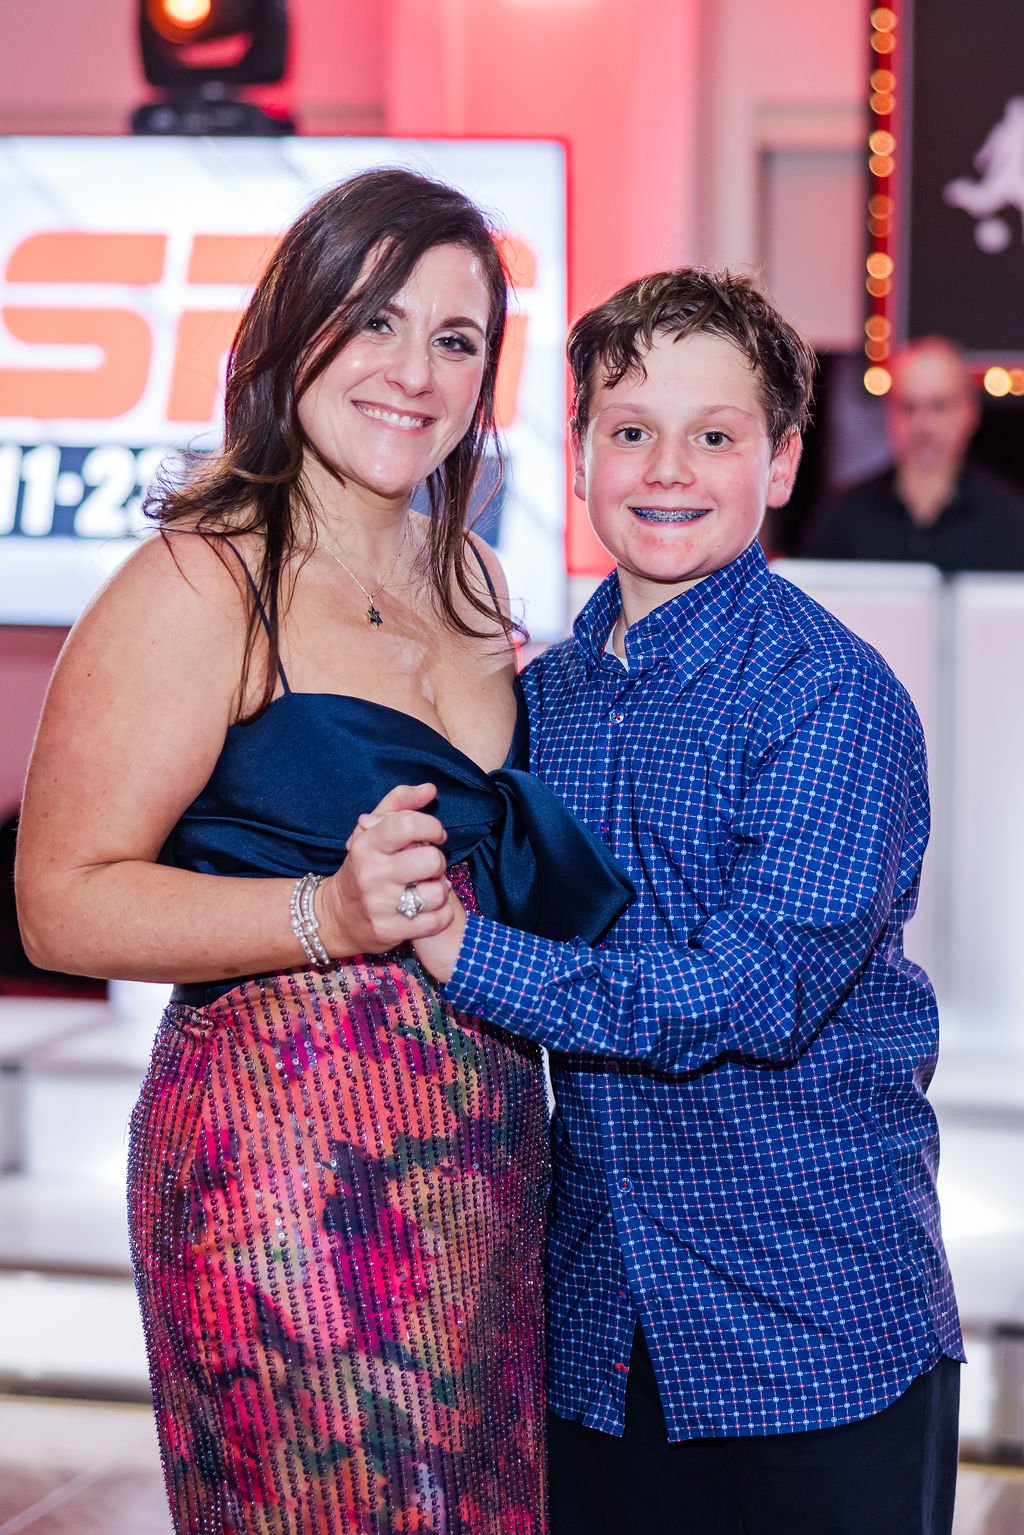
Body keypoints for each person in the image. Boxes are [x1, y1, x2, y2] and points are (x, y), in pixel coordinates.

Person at [14, 168, 631, 1535]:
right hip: (278, 1177)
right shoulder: (201, 576)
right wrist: (320, 911)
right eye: (375, 322)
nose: (415, 371)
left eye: (457, 339)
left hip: (481, 1162)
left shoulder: (470, 579)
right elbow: (57, 901)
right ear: (293, 333)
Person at [356, 270, 965, 1534]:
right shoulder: (543, 702)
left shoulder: (832, 702)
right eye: (629, 430)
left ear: (783, 461)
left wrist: (466, 953)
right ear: (577, 454)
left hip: (811, 1318)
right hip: (599, 1324)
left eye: (715, 434)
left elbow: (750, 993)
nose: (666, 467)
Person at [805, 334, 1024, 571]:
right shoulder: (845, 518)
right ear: (888, 414)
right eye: (908, 407)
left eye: (938, 406)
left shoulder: (1010, 521)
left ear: (970, 412)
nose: (923, 425)